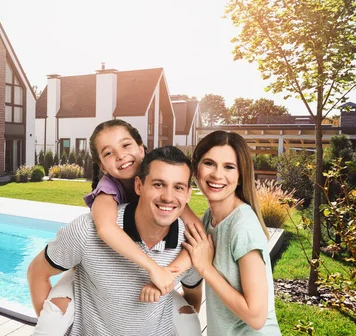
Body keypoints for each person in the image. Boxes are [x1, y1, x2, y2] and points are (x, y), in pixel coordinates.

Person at [32, 120, 201, 335]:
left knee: (189, 322)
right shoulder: (107, 192)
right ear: (103, 166)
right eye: (109, 153)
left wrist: (168, 272)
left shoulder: (171, 198)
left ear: (141, 149)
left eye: (125, 145)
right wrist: (154, 269)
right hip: (88, 273)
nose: (120, 156)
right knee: (54, 316)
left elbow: (202, 238)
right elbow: (105, 229)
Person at [183, 130, 281, 335]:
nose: (217, 174)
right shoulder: (211, 217)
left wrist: (206, 269)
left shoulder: (242, 227)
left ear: (239, 177)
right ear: (196, 169)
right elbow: (195, 234)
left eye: (229, 167)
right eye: (209, 163)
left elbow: (256, 317)